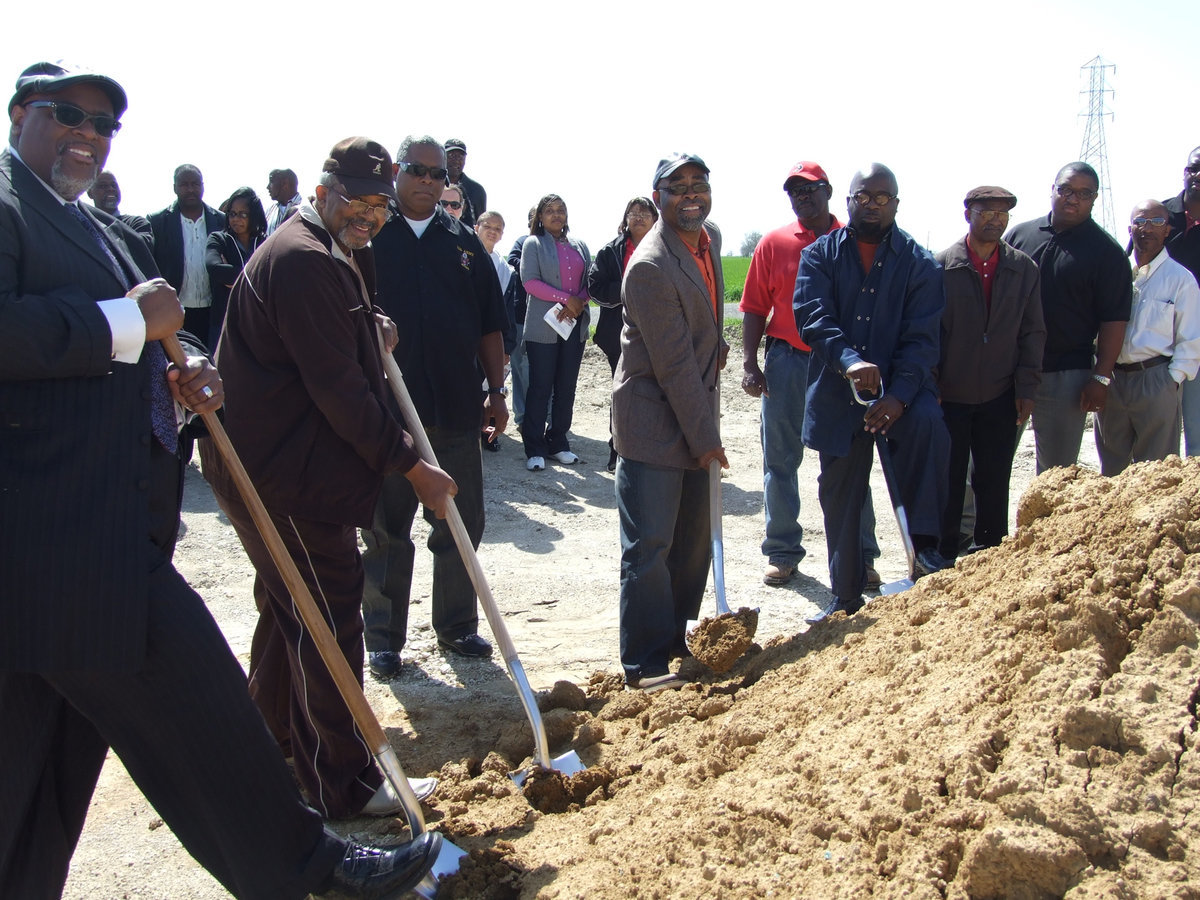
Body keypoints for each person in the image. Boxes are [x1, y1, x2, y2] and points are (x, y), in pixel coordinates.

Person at [0, 62, 440, 899]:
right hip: (55, 536)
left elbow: (128, 352)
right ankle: (312, 869)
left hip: (97, 526)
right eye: (68, 115)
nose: (88, 134)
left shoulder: (101, 230)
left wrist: (179, 372)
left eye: (104, 123)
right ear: (21, 114)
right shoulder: (8, 207)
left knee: (35, 774)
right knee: (196, 698)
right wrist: (127, 322)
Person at [200, 137, 458, 820]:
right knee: (326, 614)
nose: (367, 215)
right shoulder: (303, 259)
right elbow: (341, 391)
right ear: (321, 192)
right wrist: (413, 466)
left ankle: (266, 751)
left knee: (293, 610)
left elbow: (335, 336)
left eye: (378, 203)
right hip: (280, 474)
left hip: (285, 464)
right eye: (355, 199)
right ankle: (341, 783)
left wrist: (369, 326)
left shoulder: (339, 251)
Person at [361, 135, 508, 680]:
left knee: (462, 522)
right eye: (416, 170)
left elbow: (491, 326)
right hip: (387, 415)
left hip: (455, 408)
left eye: (435, 173)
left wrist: (495, 393)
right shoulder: (368, 239)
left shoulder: (465, 244)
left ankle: (456, 626)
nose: (426, 180)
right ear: (397, 172)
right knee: (385, 529)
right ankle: (382, 638)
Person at [795, 163, 950, 618]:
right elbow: (812, 318)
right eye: (864, 197)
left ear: (896, 204)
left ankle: (926, 562)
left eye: (883, 198)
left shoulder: (920, 264)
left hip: (899, 396)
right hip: (838, 392)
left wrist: (898, 397)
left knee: (927, 431)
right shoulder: (820, 256)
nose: (873, 205)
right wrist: (849, 361)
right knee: (840, 496)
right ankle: (844, 597)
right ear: (848, 201)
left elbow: (922, 340)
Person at [613, 152, 728, 692]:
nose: (690, 194)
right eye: (676, 186)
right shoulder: (650, 266)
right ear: (656, 196)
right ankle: (645, 664)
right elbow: (674, 366)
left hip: (694, 409)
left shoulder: (710, 242)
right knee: (651, 547)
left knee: (692, 545)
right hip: (653, 420)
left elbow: (701, 324)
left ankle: (676, 636)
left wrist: (719, 345)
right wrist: (708, 443)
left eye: (698, 184)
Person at [739, 161, 881, 587]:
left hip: (841, 367)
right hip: (788, 362)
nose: (803, 197)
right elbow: (752, 307)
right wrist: (750, 363)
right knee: (779, 461)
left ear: (830, 191)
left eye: (811, 189)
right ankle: (782, 552)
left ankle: (862, 554)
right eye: (795, 192)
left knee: (847, 462)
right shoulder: (774, 244)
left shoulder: (853, 240)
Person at [936, 186, 1045, 559]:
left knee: (994, 477)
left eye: (1002, 214)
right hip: (949, 394)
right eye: (986, 212)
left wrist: (1026, 389)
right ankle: (945, 552)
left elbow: (1033, 331)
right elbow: (927, 331)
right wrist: (929, 382)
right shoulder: (941, 266)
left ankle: (990, 551)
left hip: (1001, 392)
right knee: (949, 478)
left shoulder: (1023, 268)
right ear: (968, 213)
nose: (994, 219)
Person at [1005, 162, 1132, 473]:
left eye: (1084, 193)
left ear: (1094, 198)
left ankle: (1048, 525)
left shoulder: (1107, 253)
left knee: (1055, 474)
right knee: (986, 463)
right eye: (1066, 190)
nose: (1073, 199)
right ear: (1052, 190)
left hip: (1066, 375)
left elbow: (1114, 321)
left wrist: (1100, 377)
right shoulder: (1019, 236)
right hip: (1009, 370)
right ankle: (979, 524)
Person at [1095, 200, 1200, 474]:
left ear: (1167, 230)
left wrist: (1171, 380)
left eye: (1156, 222)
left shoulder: (1181, 279)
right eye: (1140, 222)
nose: (1147, 229)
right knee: (1111, 471)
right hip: (1112, 379)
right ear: (1130, 229)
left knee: (1156, 472)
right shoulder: (1115, 273)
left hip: (1155, 379)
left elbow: (1191, 338)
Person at [520, 194, 591, 471]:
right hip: (543, 326)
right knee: (541, 386)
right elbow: (530, 282)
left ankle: (558, 442)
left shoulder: (580, 246)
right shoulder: (533, 244)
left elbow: (589, 283)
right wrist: (565, 299)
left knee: (566, 386)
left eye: (561, 210)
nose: (556, 215)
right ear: (540, 216)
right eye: (550, 211)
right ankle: (534, 447)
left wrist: (579, 302)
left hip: (574, 324)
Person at [588, 196, 659, 472]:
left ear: (656, 218)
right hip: (620, 334)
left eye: (645, 212)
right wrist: (630, 287)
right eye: (634, 211)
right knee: (624, 392)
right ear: (626, 218)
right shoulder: (610, 251)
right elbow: (595, 288)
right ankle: (618, 451)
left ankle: (653, 452)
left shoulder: (669, 247)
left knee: (657, 391)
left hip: (660, 333)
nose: (639, 216)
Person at [149, 163, 226, 342]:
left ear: (203, 186)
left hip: (213, 313)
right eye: (184, 184)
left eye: (195, 184)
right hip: (175, 313)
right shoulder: (158, 222)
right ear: (174, 187)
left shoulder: (221, 221)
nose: (190, 189)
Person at [1161, 146, 1200, 456]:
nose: (1197, 175)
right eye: (1193, 168)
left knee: (1198, 436)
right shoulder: (1159, 216)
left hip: (1197, 341)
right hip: (1157, 343)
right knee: (1159, 439)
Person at [205, 185, 267, 350]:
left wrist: (233, 275)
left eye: (243, 214)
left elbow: (275, 276)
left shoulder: (265, 243)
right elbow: (215, 268)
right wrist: (257, 278)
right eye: (232, 213)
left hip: (258, 324)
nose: (236, 219)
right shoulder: (219, 240)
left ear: (253, 216)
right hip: (223, 323)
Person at [476, 210, 516, 452]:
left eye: (498, 228)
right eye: (488, 226)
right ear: (477, 226)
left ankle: (489, 434)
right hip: (467, 337)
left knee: (493, 386)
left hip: (493, 337)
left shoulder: (505, 269)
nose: (492, 231)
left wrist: (507, 346)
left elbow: (508, 313)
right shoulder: (465, 256)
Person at [506, 208, 537, 429]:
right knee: (520, 369)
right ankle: (522, 417)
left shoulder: (560, 246)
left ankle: (544, 417)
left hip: (549, 319)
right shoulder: (522, 242)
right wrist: (537, 267)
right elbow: (513, 259)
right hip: (520, 316)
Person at [86, 169, 152, 240]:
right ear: (90, 193)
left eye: (114, 185)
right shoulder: (83, 226)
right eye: (103, 186)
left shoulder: (136, 223)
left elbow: (142, 247)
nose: (111, 189)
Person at [444, 137, 485, 227]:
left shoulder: (477, 190)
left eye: (460, 156)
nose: (456, 160)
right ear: (442, 157)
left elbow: (481, 225)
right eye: (451, 155)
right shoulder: (432, 185)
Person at [265, 167, 301, 235]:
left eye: (271, 181)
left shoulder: (305, 209)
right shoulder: (269, 212)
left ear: (285, 183)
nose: (267, 187)